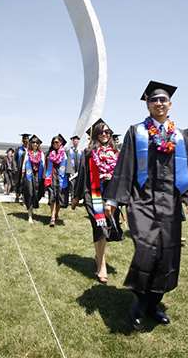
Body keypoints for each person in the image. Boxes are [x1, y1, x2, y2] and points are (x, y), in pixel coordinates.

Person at [104, 81, 188, 329]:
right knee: (146, 253)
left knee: (167, 256)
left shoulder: (179, 136)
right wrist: (114, 199)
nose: (159, 103)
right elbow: (125, 165)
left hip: (169, 203)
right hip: (142, 201)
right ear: (147, 104)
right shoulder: (136, 132)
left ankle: (154, 303)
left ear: (170, 105)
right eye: (154, 100)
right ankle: (139, 302)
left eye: (163, 100)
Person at [71, 119, 123, 284]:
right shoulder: (88, 153)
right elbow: (81, 176)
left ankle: (98, 255)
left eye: (107, 132)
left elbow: (121, 175)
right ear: (96, 134)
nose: (105, 134)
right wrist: (76, 196)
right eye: (101, 132)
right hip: (92, 195)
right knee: (99, 227)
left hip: (110, 195)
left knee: (106, 228)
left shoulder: (116, 153)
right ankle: (101, 264)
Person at [45, 135, 69, 227]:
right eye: (53, 142)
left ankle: (56, 213)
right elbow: (46, 166)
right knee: (52, 198)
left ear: (61, 143)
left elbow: (68, 167)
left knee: (59, 199)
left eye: (57, 142)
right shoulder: (49, 153)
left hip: (61, 178)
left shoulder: (65, 154)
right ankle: (52, 218)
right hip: (52, 177)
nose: (55, 144)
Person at [22, 135, 45, 224]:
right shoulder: (28, 153)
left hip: (38, 176)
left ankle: (32, 208)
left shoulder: (41, 153)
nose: (35, 144)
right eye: (33, 142)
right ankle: (30, 216)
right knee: (30, 193)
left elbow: (43, 165)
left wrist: (43, 175)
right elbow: (24, 163)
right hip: (29, 176)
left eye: (37, 143)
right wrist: (23, 174)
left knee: (37, 194)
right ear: (31, 144)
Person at [14, 133, 31, 202]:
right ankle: (17, 196)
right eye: (24, 139)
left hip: (28, 169)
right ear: (22, 140)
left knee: (26, 183)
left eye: (27, 139)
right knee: (18, 183)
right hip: (19, 169)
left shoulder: (30, 150)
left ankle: (24, 198)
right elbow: (14, 159)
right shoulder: (18, 149)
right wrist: (15, 167)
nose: (25, 141)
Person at [66, 135, 83, 201]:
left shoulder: (81, 151)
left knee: (78, 185)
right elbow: (68, 161)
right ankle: (72, 198)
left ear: (78, 141)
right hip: (72, 171)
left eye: (77, 140)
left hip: (79, 171)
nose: (76, 141)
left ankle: (77, 198)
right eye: (74, 140)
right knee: (72, 185)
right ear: (72, 141)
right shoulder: (69, 151)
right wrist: (70, 172)